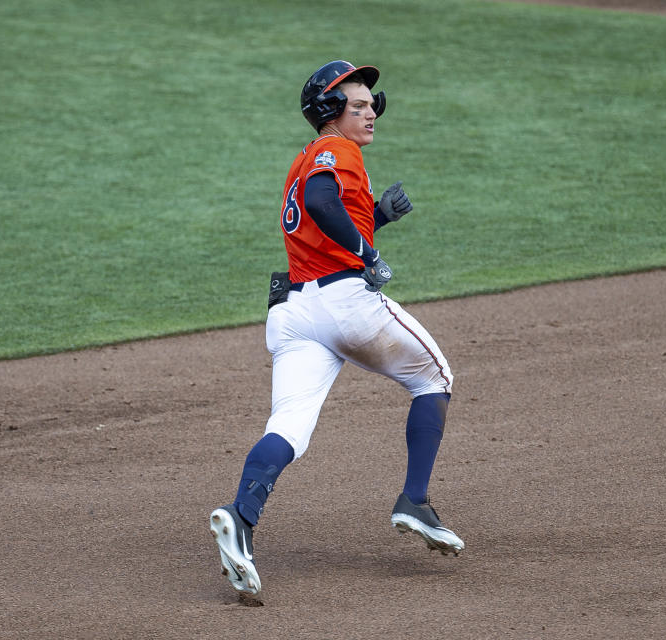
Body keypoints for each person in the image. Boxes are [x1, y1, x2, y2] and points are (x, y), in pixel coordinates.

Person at [208, 60, 464, 596]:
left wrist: (376, 215)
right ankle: (414, 500)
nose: (373, 111)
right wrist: (369, 250)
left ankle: (241, 518)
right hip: (344, 304)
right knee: (433, 378)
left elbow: (324, 213)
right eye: (359, 104)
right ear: (330, 113)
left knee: (289, 426)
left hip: (294, 314)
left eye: (374, 103)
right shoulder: (335, 149)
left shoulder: (303, 160)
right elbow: (325, 203)